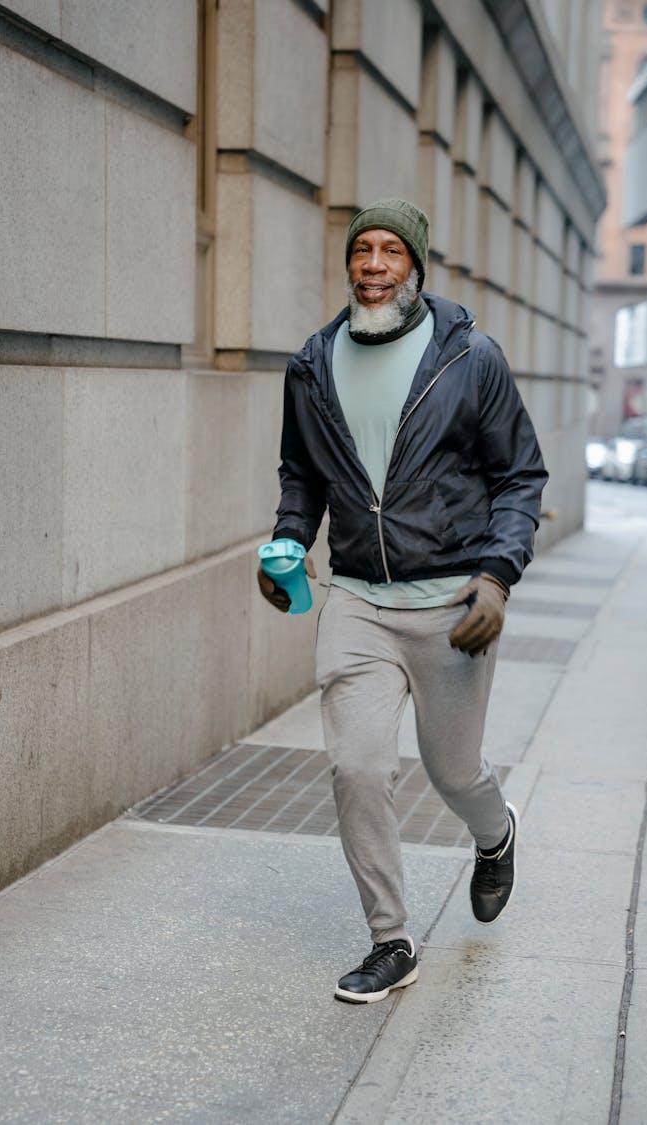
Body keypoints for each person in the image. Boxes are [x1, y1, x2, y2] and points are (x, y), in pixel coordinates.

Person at [257, 198, 548, 1004]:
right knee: (357, 765)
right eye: (362, 251)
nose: (374, 265)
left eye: (390, 251)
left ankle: (496, 834)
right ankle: (391, 939)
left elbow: (521, 476)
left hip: (453, 601)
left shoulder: (470, 358)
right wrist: (287, 539)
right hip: (354, 595)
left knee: (454, 771)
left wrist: (496, 575)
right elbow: (302, 475)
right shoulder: (313, 363)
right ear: (349, 264)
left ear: (415, 266)